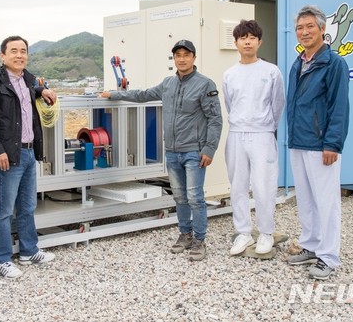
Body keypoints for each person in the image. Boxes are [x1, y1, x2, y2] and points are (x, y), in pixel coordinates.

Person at [101, 39, 222, 261]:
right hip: (173, 151)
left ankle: (199, 240)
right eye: (178, 55)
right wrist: (115, 94)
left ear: (194, 58)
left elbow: (215, 119)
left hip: (195, 151)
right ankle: (184, 234)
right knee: (179, 196)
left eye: (187, 54)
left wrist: (209, 149)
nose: (182, 59)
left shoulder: (205, 84)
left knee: (195, 197)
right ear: (174, 59)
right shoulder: (167, 83)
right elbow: (142, 95)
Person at [0, 35, 57, 279]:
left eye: (23, 51)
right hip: (8, 155)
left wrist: (44, 90)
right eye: (13, 51)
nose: (19, 55)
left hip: (29, 150)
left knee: (27, 206)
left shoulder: (28, 78)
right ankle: (2, 258)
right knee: (4, 210)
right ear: (2, 55)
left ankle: (28, 250)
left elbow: (36, 87)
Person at [285, 5, 350, 280]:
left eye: (310, 26)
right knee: (306, 199)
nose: (304, 32)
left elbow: (339, 106)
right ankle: (310, 245)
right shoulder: (298, 63)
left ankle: (329, 256)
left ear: (323, 30)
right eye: (300, 28)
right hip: (299, 142)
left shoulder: (334, 63)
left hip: (321, 144)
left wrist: (332, 144)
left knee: (327, 202)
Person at [222, 20, 285, 256]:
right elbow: (230, 104)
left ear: (260, 41)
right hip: (236, 133)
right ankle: (243, 232)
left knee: (264, 185)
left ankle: (266, 233)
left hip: (262, 134)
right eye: (242, 38)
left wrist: (266, 126)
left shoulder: (271, 71)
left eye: (252, 37)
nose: (247, 41)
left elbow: (277, 104)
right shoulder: (229, 74)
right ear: (236, 42)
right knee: (237, 185)